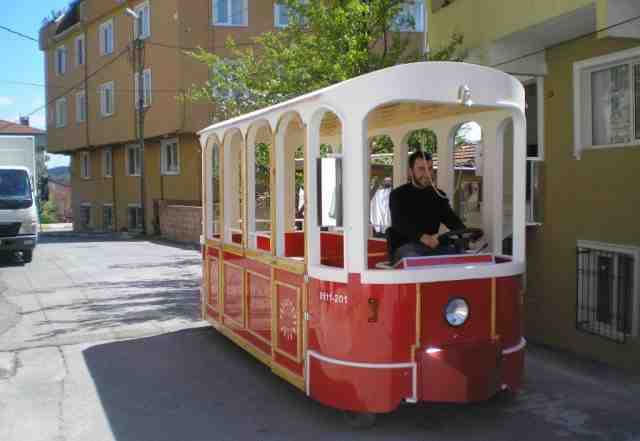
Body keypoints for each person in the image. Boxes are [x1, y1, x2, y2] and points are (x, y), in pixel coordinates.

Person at [388, 151, 465, 264]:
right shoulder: (398, 194)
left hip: (432, 246)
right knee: (415, 259)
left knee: (462, 255)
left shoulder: (438, 195)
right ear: (410, 172)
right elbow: (399, 223)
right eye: (421, 169)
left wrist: (465, 232)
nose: (428, 173)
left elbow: (451, 220)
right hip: (405, 246)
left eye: (430, 168)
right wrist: (424, 238)